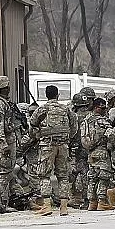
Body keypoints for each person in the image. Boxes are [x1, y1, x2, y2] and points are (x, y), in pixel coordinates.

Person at [30, 84, 78, 216]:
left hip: (47, 146)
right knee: (63, 175)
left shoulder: (42, 109)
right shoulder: (66, 109)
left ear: (46, 95)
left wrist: (38, 135)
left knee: (44, 175)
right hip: (63, 146)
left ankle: (47, 205)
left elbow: (32, 125)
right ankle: (63, 207)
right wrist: (66, 138)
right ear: (58, 95)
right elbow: (74, 127)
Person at [81, 98, 115, 211]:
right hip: (102, 151)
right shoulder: (102, 121)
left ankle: (92, 202)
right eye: (102, 108)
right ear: (96, 107)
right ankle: (102, 202)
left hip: (90, 153)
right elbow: (112, 134)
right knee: (103, 178)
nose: (104, 110)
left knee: (92, 178)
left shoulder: (86, 120)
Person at [0, 76, 17, 213]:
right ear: (5, 88)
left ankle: (5, 201)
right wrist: (3, 144)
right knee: (4, 173)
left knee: (5, 173)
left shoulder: (0, 102)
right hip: (3, 142)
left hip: (1, 141)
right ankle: (1, 204)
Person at [68, 88, 93, 209]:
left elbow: (70, 134)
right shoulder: (91, 116)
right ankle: (92, 198)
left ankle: (80, 199)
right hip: (91, 148)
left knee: (77, 174)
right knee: (90, 174)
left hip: (77, 150)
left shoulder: (73, 117)